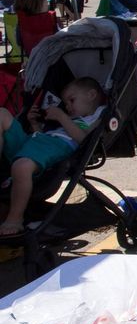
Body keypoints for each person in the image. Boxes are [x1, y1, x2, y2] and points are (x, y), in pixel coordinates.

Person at [0, 77, 106, 237]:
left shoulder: (98, 115)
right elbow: (42, 140)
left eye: (72, 100)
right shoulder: (69, 119)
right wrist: (35, 124)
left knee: (21, 166)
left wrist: (61, 117)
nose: (68, 106)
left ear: (91, 95)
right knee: (2, 114)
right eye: (67, 103)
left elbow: (85, 141)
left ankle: (15, 218)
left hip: (59, 146)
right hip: (37, 141)